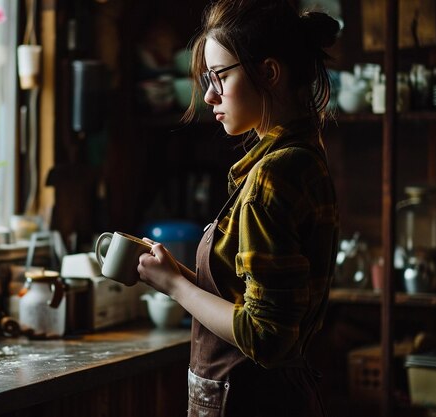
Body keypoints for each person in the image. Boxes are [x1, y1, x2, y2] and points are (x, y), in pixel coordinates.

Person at [137, 1, 341, 416]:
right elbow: (250, 299)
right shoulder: (301, 157)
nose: (209, 94)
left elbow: (266, 336)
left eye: (221, 76)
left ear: (268, 72)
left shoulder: (274, 176)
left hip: (255, 401)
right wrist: (180, 276)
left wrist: (177, 289)